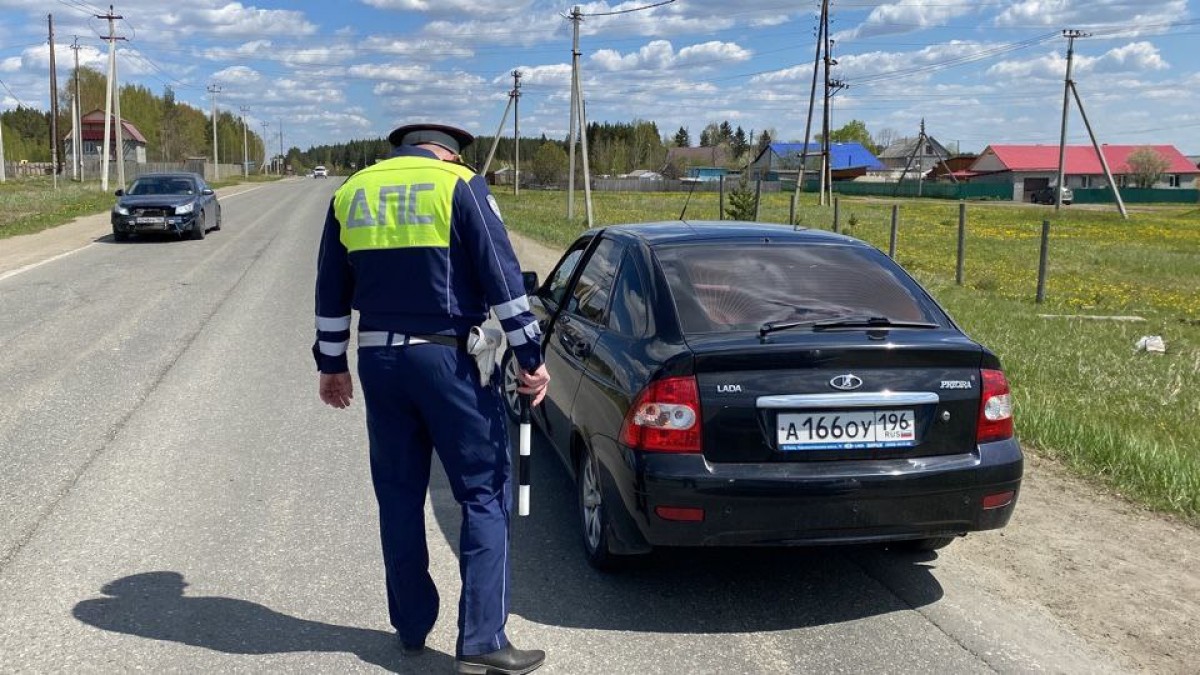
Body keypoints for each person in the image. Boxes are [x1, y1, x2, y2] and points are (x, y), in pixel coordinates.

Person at [313, 122, 550, 675]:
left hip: (378, 360)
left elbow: (330, 286)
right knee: (485, 491)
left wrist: (331, 365)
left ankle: (412, 628)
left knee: (397, 495)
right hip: (448, 359)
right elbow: (503, 275)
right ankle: (482, 640)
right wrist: (530, 357)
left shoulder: (352, 190)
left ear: (402, 148)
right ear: (447, 151)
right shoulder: (459, 184)